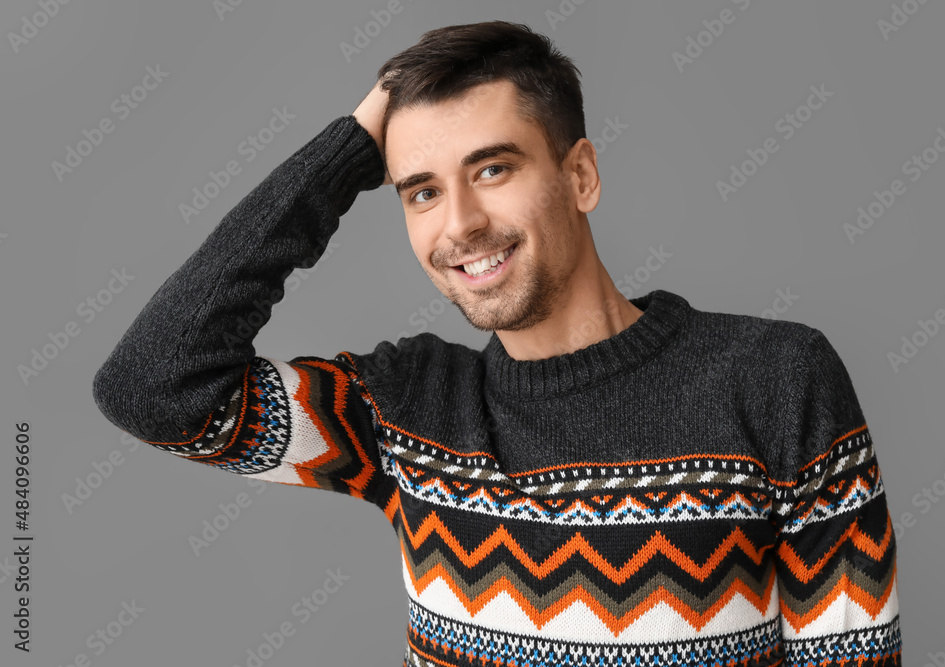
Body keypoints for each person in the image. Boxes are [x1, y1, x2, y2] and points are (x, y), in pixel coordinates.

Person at [92, 20, 901, 667]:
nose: (459, 227)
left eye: (492, 169)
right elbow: (154, 386)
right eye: (421, 191)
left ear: (580, 175)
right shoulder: (404, 412)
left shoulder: (773, 377)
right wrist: (347, 150)